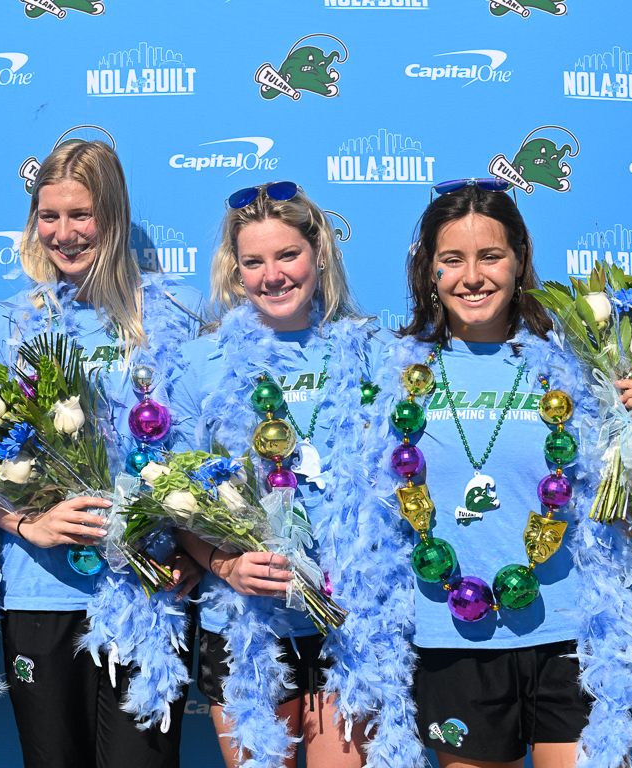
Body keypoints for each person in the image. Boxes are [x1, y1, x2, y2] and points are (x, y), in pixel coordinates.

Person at [367, 180, 632, 768]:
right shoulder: (391, 375)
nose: (472, 276)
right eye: (452, 259)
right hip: (453, 639)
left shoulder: (575, 368)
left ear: (519, 263)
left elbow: (623, 516)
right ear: (428, 271)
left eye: (491, 257)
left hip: (567, 636)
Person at [0, 140, 204, 768]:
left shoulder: (175, 318)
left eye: (82, 215)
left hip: (146, 594)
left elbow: (204, 457)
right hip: (41, 596)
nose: (65, 233)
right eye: (49, 217)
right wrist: (29, 523)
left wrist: (194, 551)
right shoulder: (9, 324)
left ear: (115, 216)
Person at [173, 182, 414, 768]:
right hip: (249, 626)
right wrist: (224, 563)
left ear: (320, 253)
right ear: (236, 269)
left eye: (287, 255)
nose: (272, 275)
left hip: (352, 626)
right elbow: (172, 498)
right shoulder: (199, 363)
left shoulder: (375, 354)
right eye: (253, 261)